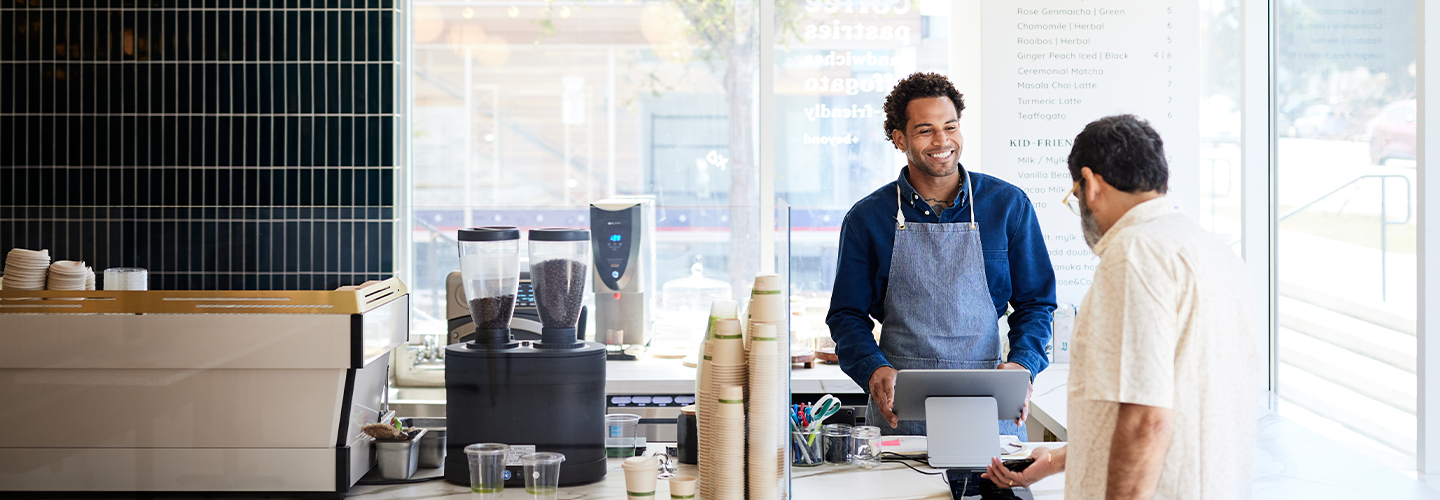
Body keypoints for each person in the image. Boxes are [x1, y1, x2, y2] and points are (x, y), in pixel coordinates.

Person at [982, 114, 1261, 500]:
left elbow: (1146, 420)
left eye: (1075, 196)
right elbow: (1169, 402)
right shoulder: (1211, 251)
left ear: (1091, 183)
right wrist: (1056, 461)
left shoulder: (1134, 255)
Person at [825, 72, 1057, 437]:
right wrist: (873, 369)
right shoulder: (866, 218)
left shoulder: (1008, 206)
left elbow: (1037, 304)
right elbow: (846, 316)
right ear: (899, 138)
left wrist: (1021, 364)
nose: (942, 140)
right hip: (900, 412)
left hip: (989, 405)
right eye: (925, 130)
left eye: (950, 126)